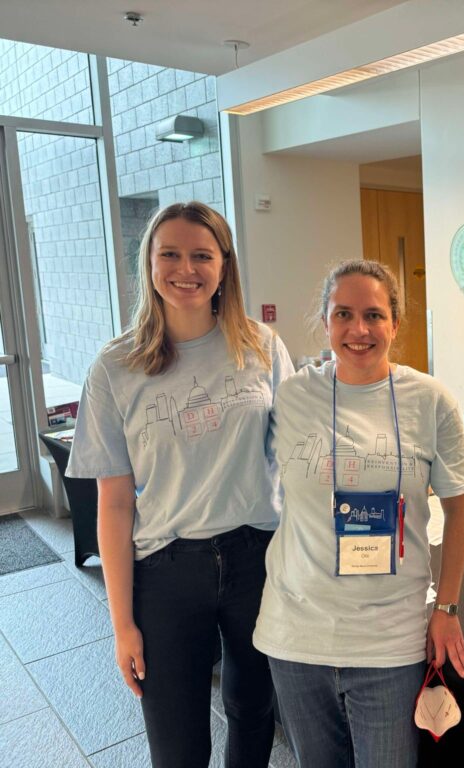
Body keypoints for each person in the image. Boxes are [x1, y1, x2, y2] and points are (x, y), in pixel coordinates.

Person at [67, 201, 294, 768]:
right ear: (148, 262)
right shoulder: (116, 366)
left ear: (224, 266)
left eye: (201, 255)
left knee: (255, 712)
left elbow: (298, 457)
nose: (184, 269)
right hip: (167, 569)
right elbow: (114, 506)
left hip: (258, 558)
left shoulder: (262, 346)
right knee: (175, 740)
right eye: (169, 253)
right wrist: (122, 626)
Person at [254, 259, 464, 768]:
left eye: (374, 315)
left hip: (389, 642)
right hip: (296, 634)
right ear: (326, 323)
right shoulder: (293, 396)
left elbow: (459, 514)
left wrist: (447, 608)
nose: (358, 329)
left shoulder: (431, 400)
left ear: (395, 323)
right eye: (343, 314)